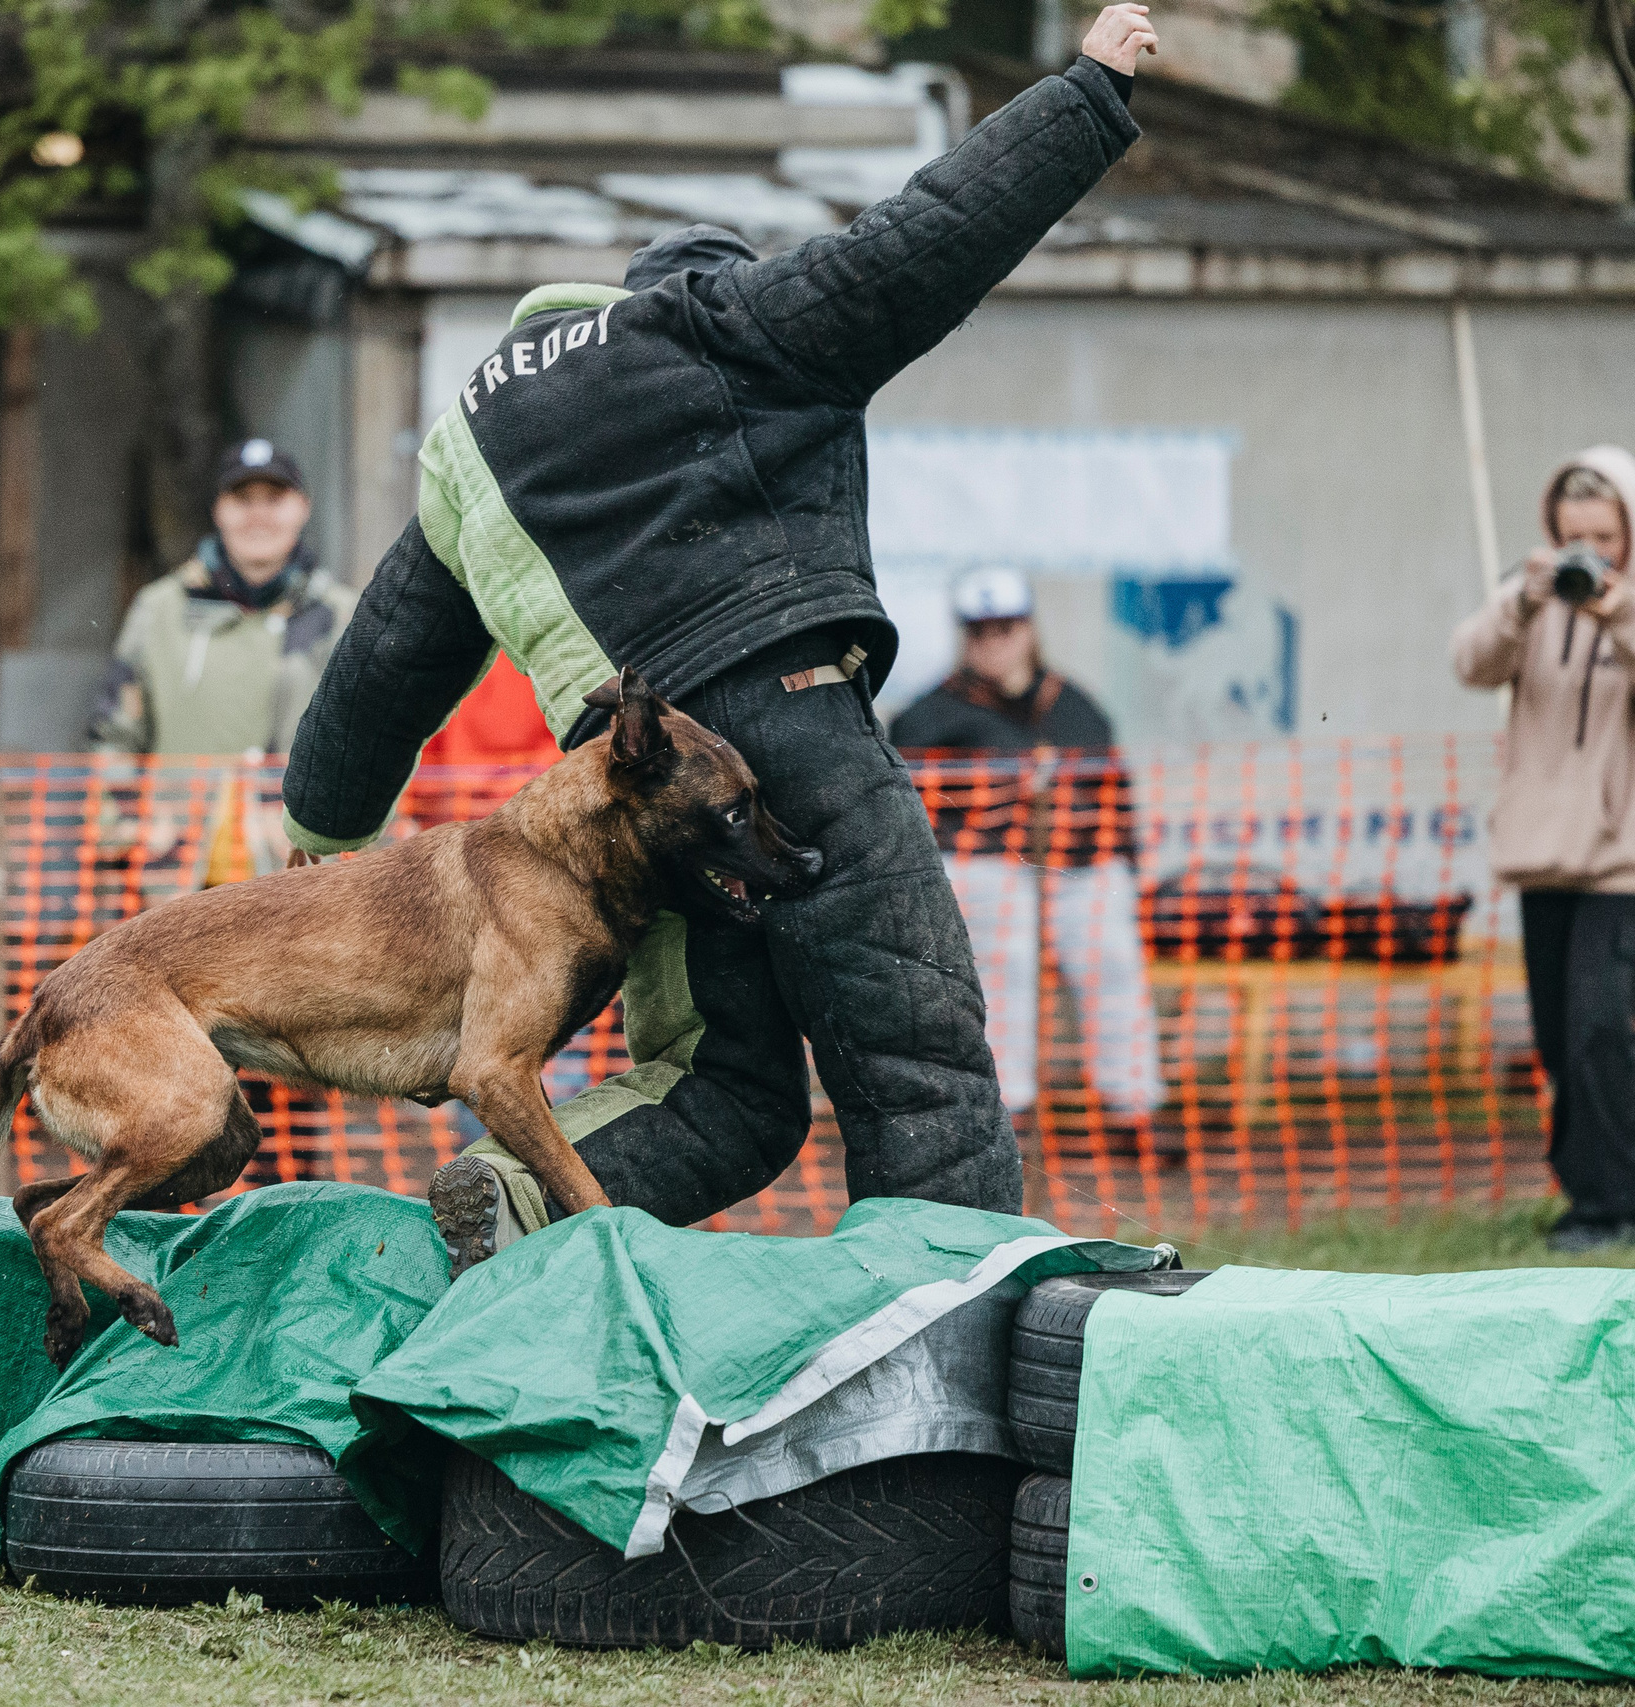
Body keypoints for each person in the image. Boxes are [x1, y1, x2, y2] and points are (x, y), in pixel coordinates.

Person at [278, 6, 1160, 1273]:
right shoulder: (724, 323)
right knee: (911, 1053)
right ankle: (953, 1311)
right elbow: (922, 241)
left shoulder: (473, 435)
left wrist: (324, 824)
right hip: (782, 726)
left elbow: (390, 648)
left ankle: (509, 1196)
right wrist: (1083, 96)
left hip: (629, 793)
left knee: (723, 1086)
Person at [889, 567, 1174, 1164]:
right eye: (981, 630)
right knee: (1003, 963)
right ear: (965, 635)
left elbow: (1116, 796)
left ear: (1028, 629)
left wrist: (1127, 864)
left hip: (1077, 864)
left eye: (1006, 627)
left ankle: (1134, 1107)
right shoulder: (930, 714)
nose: (995, 640)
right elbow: (910, 813)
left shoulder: (1073, 705)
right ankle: (1009, 1109)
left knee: (1112, 960)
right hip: (988, 866)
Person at [1451, 446, 1635, 1252]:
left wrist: (1616, 611)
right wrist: (1519, 605)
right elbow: (1469, 662)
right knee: (1561, 1040)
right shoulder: (1530, 601)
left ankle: (1609, 1206)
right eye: (1573, 538)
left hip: (1621, 861)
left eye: (1606, 537)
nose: (1589, 553)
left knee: (1600, 1028)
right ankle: (1587, 1193)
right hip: (1540, 855)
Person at [92, 439, 358, 889]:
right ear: (218, 510)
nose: (258, 516)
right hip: (179, 885)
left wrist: (355, 837)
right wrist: (129, 830)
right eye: (242, 499)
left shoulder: (343, 616)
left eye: (274, 499)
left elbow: (372, 739)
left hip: (305, 885)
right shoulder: (159, 610)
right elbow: (112, 734)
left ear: (303, 507)